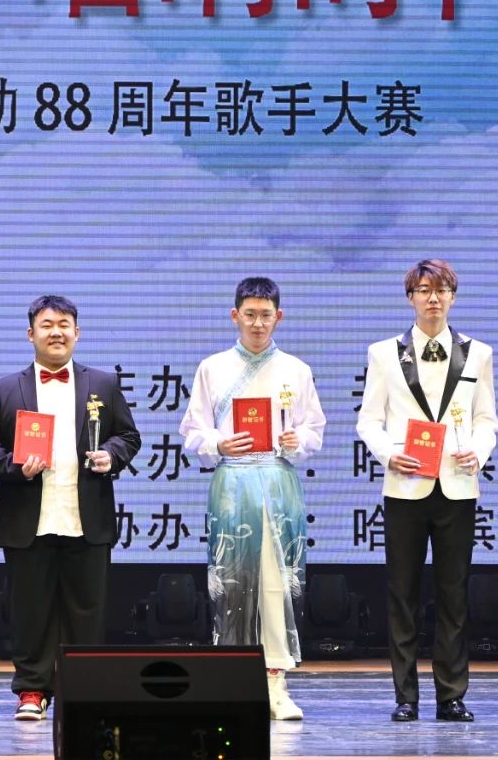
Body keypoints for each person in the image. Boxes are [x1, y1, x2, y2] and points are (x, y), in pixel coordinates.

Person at [0, 295, 141, 721]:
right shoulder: (6, 388)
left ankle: (82, 687)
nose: (56, 333)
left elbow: (128, 437)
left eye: (64, 325)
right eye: (47, 325)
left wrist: (111, 456)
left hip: (87, 515)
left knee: (87, 609)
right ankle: (32, 690)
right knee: (30, 610)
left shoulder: (103, 384)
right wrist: (15, 466)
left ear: (77, 333)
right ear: (31, 334)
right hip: (28, 516)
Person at [356, 259, 498, 723]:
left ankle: (451, 695)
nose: (432, 298)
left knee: (454, 596)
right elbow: (368, 420)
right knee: (403, 594)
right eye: (423, 290)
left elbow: (486, 420)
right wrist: (389, 454)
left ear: (453, 296)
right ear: (410, 298)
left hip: (457, 486)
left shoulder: (478, 353)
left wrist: (479, 449)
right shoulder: (384, 353)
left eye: (441, 290)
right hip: (406, 486)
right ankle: (406, 697)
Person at [179, 278, 325, 720]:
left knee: (277, 581)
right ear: (235, 316)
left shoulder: (296, 370)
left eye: (266, 315)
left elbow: (314, 429)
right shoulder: (212, 367)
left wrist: (296, 439)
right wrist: (219, 444)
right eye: (250, 314)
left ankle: (276, 683)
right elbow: (193, 431)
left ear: (279, 317)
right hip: (233, 483)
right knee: (232, 580)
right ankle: (233, 680)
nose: (258, 323)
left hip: (278, 480)